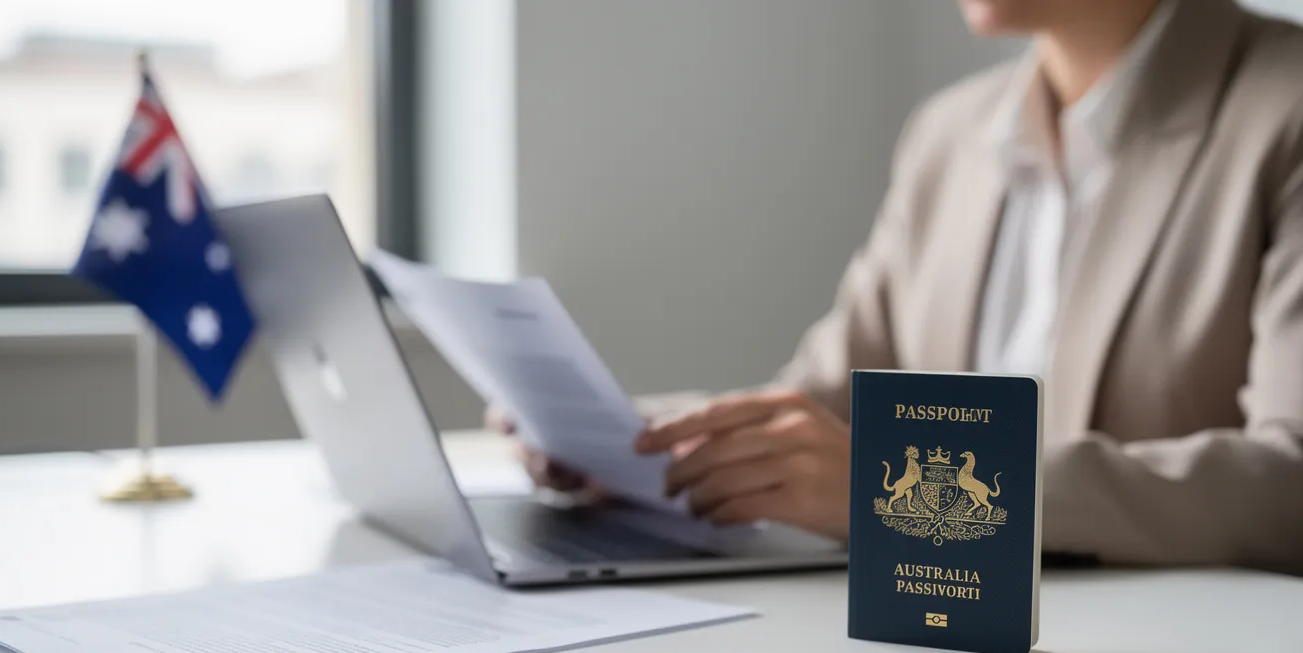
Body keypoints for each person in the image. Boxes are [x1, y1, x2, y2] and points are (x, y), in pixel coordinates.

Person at [489, 0, 1303, 576]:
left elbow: (1288, 486)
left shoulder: (1283, 111)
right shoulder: (949, 135)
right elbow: (829, 405)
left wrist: (899, 495)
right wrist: (644, 444)